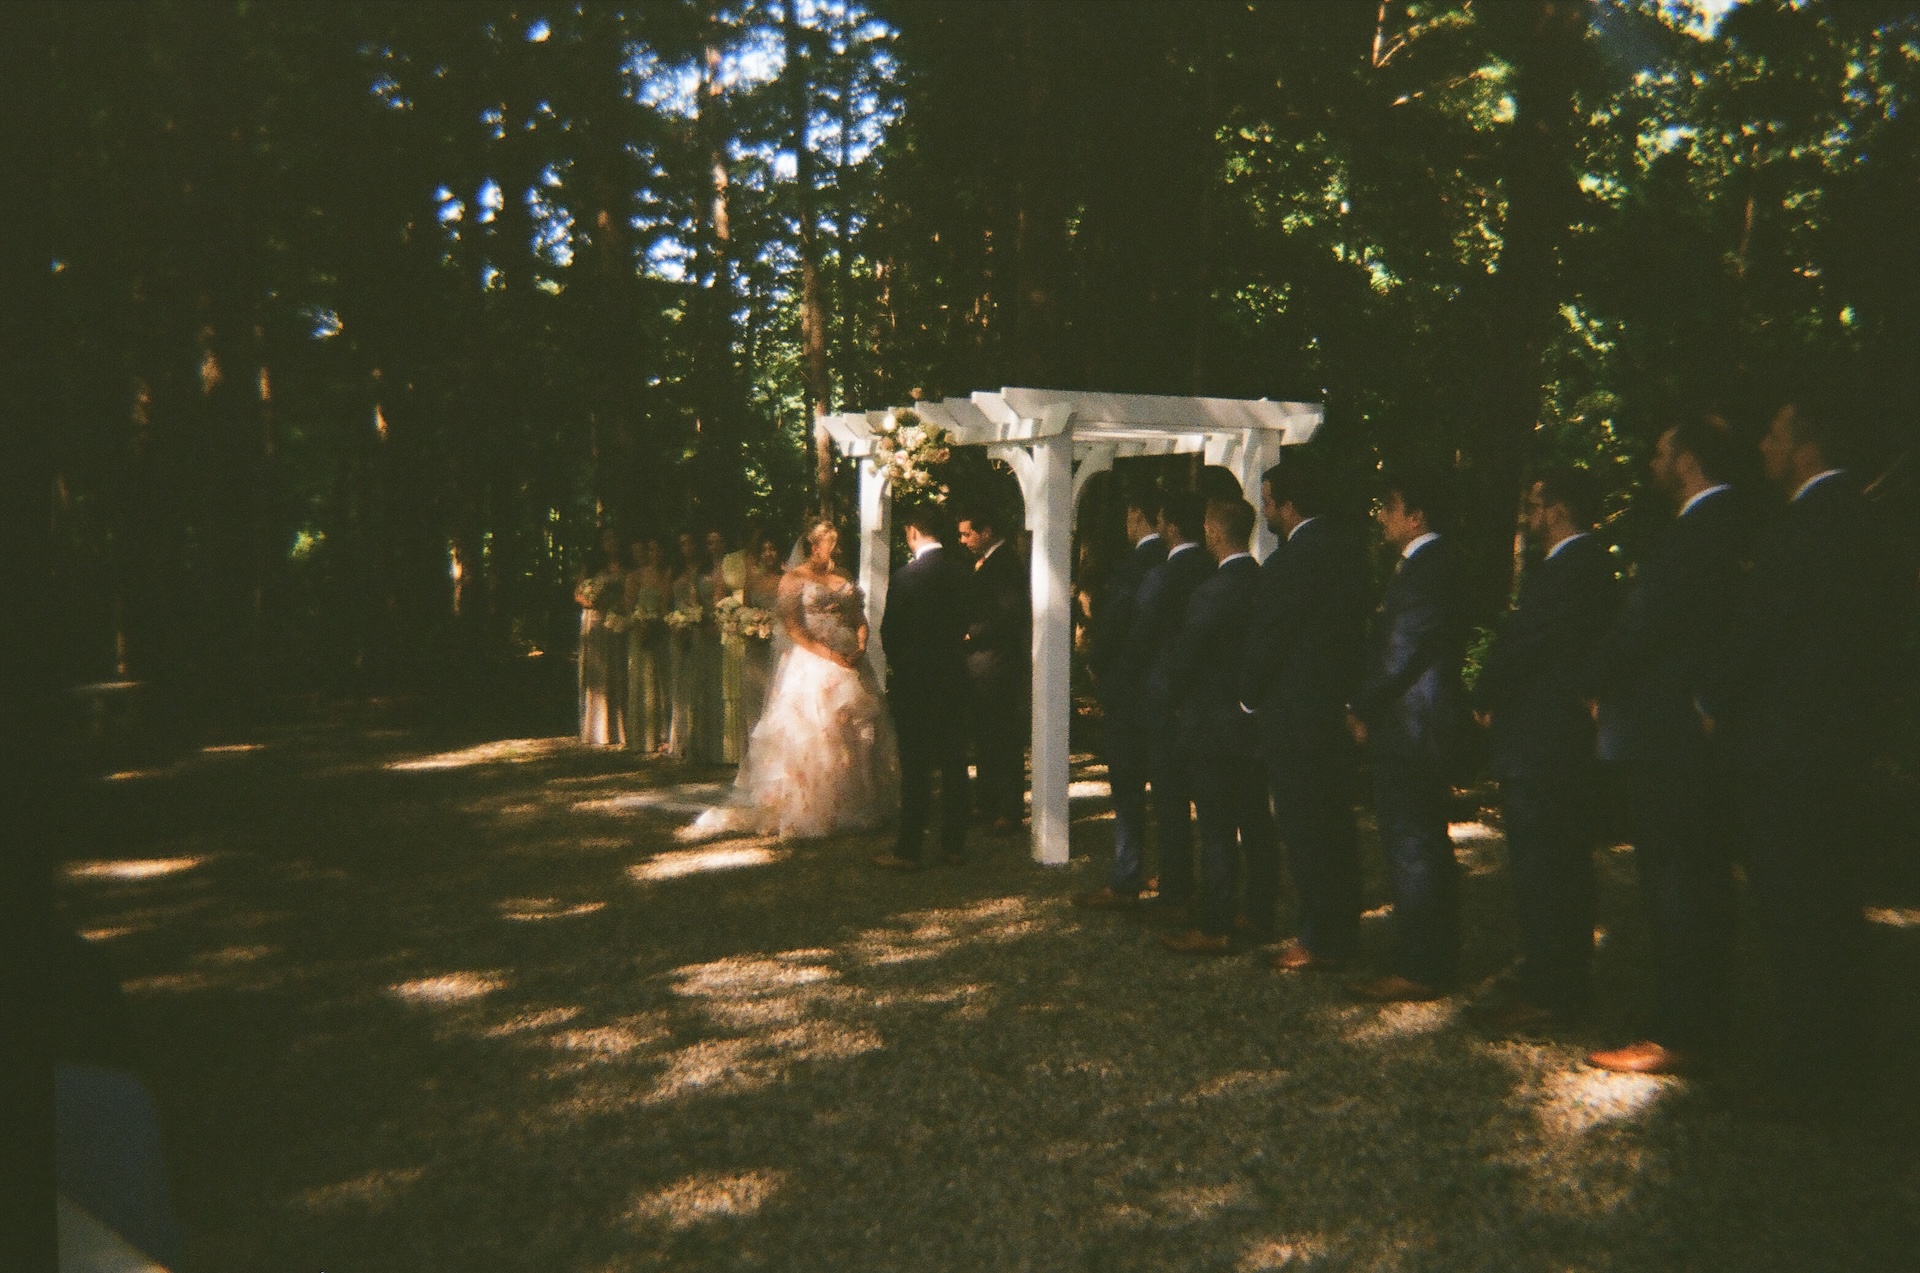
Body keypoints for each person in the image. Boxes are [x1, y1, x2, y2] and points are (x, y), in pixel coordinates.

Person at [1717, 393, 1897, 1102]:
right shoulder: (1859, 516)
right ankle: (1834, 1059)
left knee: (1799, 905)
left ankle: (1809, 1071)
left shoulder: (1814, 521)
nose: (1762, 445)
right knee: (1824, 903)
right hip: (1832, 743)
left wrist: (1714, 699)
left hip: (1796, 748)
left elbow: (1770, 625)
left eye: (1773, 434)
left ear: (1807, 450)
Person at [1583, 418, 1746, 1075]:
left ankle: (1679, 1029)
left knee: (1677, 881)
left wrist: (1591, 681)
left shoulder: (1699, 529)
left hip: (1671, 733)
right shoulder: (1735, 524)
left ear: (1686, 462)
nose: (1650, 463)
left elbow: (1642, 621)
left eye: (1657, 449)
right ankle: (1697, 1020)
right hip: (1689, 727)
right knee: (1696, 880)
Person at [1471, 468, 1617, 1030]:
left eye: (1534, 506)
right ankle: (1555, 976)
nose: (1527, 518)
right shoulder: (1589, 568)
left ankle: (1552, 991)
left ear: (1558, 510)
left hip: (1545, 741)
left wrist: (1484, 694)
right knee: (1558, 867)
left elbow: (1524, 642)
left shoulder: (1572, 570)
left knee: (1546, 868)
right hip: (1555, 737)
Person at [683, 520, 899, 841]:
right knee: (815, 733)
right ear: (814, 545)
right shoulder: (794, 579)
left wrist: (861, 644)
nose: (837, 548)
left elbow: (858, 617)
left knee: (856, 731)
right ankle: (814, 805)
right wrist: (830, 655)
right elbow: (794, 628)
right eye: (831, 542)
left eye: (838, 542)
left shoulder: (845, 577)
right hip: (813, 662)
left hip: (851, 659)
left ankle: (858, 803)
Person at [1241, 453, 1372, 974]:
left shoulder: (1291, 562)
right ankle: (1341, 930)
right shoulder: (1349, 552)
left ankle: (1321, 938)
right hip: (1335, 706)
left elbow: (1268, 638)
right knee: (1335, 823)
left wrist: (1249, 696)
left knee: (1304, 826)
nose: (1266, 511)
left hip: (1295, 712)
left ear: (1289, 506)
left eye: (1270, 502)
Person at [1347, 468, 1471, 1002]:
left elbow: (1401, 651)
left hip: (1414, 726)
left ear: (1416, 516)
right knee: (1417, 840)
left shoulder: (1430, 568)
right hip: (1412, 722)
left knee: (1413, 842)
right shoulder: (1422, 567)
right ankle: (1430, 955)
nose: (1381, 517)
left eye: (1389, 507)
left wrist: (1360, 706)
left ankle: (1424, 965)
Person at [1161, 498, 1279, 955]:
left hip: (1211, 722)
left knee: (1215, 826)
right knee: (1255, 820)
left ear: (1212, 531)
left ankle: (1215, 923)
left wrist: (1171, 699)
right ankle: (1260, 911)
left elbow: (1186, 657)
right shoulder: (1267, 583)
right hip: (1253, 721)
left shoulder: (1212, 592)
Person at [1111, 491, 1213, 922]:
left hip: (1160, 698)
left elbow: (1139, 640)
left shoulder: (1162, 577)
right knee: (1211, 804)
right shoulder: (1213, 569)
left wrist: (1118, 681)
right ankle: (1208, 886)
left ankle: (1175, 891)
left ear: (1169, 526)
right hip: (1207, 700)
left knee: (1168, 798)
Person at [1076, 487, 1169, 906]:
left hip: (1131, 695)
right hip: (1170, 694)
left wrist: (1096, 664)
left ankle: (1127, 874)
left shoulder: (1131, 570)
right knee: (1169, 791)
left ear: (1137, 516)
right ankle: (1172, 873)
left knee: (1129, 791)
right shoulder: (1188, 561)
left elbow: (1112, 629)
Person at [874, 507, 972, 870]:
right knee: (954, 762)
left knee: (915, 766)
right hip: (953, 678)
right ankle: (953, 845)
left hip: (916, 683)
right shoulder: (962, 573)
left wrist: (906, 667)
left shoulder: (905, 578)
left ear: (913, 531)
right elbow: (968, 621)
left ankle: (909, 848)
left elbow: (890, 634)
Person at [958, 506, 1030, 834]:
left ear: (987, 531)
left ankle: (1010, 808)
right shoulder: (986, 561)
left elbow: (1012, 613)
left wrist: (974, 633)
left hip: (998, 662)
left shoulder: (1006, 563)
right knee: (984, 733)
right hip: (981, 663)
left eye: (967, 533)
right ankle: (987, 801)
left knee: (1002, 734)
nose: (963, 540)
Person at [669, 531, 724, 764]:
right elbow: (694, 599)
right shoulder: (700, 572)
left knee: (718, 686)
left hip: (721, 629)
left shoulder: (723, 567)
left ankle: (719, 746)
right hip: (701, 630)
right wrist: (693, 620)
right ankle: (700, 744)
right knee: (700, 687)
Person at [575, 527, 628, 747]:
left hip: (616, 619)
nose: (611, 541)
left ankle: (618, 728)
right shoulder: (592, 566)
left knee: (617, 670)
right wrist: (591, 601)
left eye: (614, 537)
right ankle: (597, 729)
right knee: (598, 673)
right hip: (595, 620)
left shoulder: (627, 566)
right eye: (607, 538)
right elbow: (577, 593)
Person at [624, 536, 672, 754]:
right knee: (642, 682)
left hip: (660, 633)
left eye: (658, 549)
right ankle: (642, 737)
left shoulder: (667, 574)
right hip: (639, 633)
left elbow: (665, 606)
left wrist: (657, 624)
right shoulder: (635, 576)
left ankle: (663, 735)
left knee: (661, 681)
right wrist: (639, 624)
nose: (654, 553)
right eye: (650, 549)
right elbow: (628, 606)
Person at [739, 533, 785, 740]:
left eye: (773, 549)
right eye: (764, 550)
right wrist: (751, 625)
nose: (769, 554)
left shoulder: (786, 580)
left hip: (779, 647)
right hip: (754, 647)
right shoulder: (752, 582)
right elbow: (743, 613)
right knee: (754, 699)